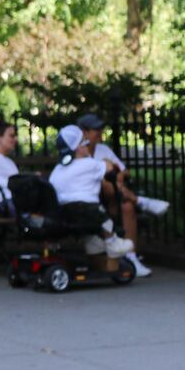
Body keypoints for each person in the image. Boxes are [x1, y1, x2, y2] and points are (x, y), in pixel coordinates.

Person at [75, 114, 153, 277]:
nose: (100, 132)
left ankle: (131, 257)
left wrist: (117, 174)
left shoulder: (103, 149)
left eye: (100, 128)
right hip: (88, 199)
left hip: (109, 199)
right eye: (96, 129)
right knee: (105, 181)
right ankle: (140, 200)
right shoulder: (77, 153)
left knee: (126, 205)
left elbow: (123, 171)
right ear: (84, 133)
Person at [49, 125, 136, 257]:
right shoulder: (90, 164)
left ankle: (93, 243)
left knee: (87, 220)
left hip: (63, 212)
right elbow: (108, 168)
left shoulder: (57, 170)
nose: (88, 145)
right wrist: (107, 162)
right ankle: (112, 242)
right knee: (104, 219)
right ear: (78, 148)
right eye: (85, 143)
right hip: (88, 210)